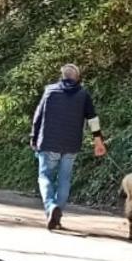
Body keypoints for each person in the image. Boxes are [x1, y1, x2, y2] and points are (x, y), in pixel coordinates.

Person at [30, 63, 106, 230]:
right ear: (77, 78)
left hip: (48, 142)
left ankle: (51, 207)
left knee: (45, 177)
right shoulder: (83, 94)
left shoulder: (50, 91)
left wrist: (33, 138)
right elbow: (93, 119)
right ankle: (57, 214)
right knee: (64, 179)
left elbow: (38, 116)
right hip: (71, 145)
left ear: (62, 76)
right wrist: (98, 140)